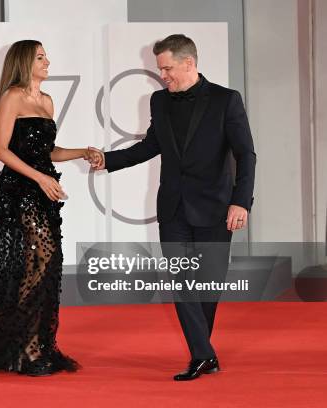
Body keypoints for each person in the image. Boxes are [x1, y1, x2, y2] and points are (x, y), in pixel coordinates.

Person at [90, 34, 256, 381]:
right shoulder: (159, 102)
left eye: (167, 68)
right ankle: (202, 354)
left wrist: (241, 202)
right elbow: (151, 145)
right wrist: (108, 159)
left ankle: (203, 354)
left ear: (188, 63)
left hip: (216, 207)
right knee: (182, 281)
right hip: (174, 207)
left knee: (209, 286)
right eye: (159, 69)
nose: (162, 75)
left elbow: (246, 155)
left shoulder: (227, 100)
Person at [0, 40, 99, 376]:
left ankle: (23, 343)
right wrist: (39, 179)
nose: (48, 61)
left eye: (46, 55)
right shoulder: (12, 96)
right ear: (23, 63)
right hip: (19, 190)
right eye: (40, 57)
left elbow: (48, 151)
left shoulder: (47, 101)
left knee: (41, 265)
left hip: (44, 190)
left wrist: (81, 152)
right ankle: (24, 346)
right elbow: (2, 150)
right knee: (41, 258)